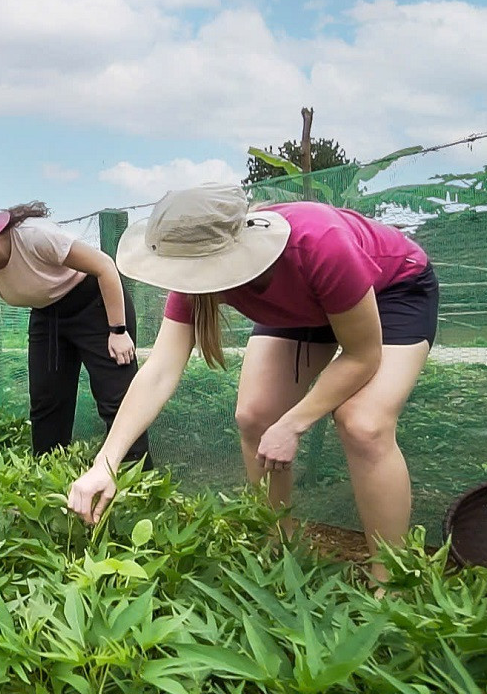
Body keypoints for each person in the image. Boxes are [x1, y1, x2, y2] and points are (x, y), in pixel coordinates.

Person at [66, 183, 439, 583]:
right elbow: (158, 371)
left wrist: (295, 422)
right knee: (256, 416)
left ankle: (392, 578)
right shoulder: (192, 269)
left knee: (363, 424)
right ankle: (279, 544)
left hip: (392, 291)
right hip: (305, 307)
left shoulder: (318, 244)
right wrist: (105, 463)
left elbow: (362, 355)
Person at [0, 202, 150, 466]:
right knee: (47, 404)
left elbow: (104, 266)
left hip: (96, 305)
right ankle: (48, 481)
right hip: (47, 315)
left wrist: (118, 330)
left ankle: (137, 487)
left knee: (116, 398)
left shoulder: (34, 236)